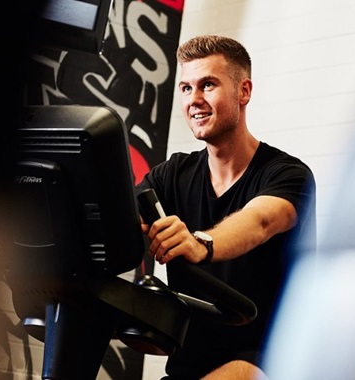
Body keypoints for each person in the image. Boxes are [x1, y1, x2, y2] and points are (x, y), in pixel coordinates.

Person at [135, 35, 316, 379]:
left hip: (267, 360)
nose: (195, 100)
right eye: (186, 88)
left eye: (207, 85)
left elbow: (260, 220)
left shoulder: (289, 175)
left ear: (243, 91)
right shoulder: (171, 175)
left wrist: (199, 243)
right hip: (187, 365)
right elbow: (121, 219)